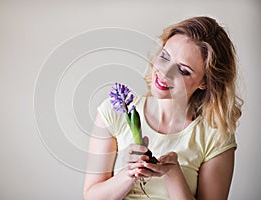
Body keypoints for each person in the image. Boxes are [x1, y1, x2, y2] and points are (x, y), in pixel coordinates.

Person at [83, 16, 243, 200]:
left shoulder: (216, 135)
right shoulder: (114, 113)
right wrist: (129, 174)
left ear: (205, 82)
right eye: (165, 57)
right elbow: (91, 196)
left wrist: (173, 173)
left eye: (183, 70)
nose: (165, 73)